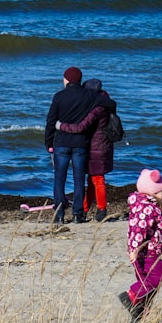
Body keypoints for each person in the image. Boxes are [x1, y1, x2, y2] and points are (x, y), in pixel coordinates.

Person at [43, 67, 107, 224]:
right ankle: (78, 214)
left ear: (67, 80)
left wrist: (48, 143)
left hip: (62, 144)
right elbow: (109, 103)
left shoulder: (59, 96)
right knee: (79, 180)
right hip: (81, 144)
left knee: (59, 179)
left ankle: (59, 216)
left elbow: (51, 121)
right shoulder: (89, 95)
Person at [118, 168, 162, 323]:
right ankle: (130, 296)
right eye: (161, 192)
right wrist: (135, 249)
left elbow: (159, 229)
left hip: (150, 251)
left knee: (148, 286)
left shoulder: (153, 208)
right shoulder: (147, 209)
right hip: (146, 254)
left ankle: (139, 315)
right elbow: (138, 230)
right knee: (159, 277)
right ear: (152, 193)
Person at [54, 78, 116, 222]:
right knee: (92, 179)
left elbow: (81, 127)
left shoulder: (97, 109)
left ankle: (100, 209)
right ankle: (85, 209)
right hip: (103, 145)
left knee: (97, 179)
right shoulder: (105, 102)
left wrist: (60, 126)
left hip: (95, 147)